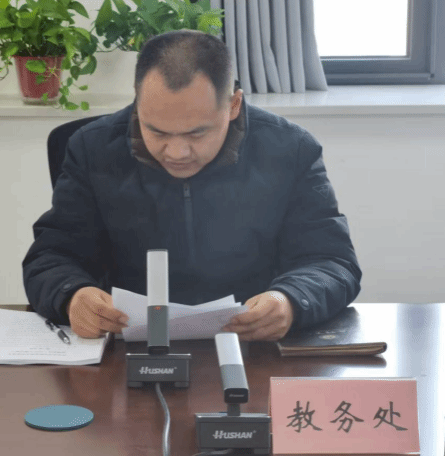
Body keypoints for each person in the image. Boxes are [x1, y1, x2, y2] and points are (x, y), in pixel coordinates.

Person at [23, 30, 361, 341]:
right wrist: (73, 295)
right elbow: (51, 256)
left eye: (197, 133)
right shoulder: (93, 148)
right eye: (156, 131)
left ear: (233, 105)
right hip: (126, 348)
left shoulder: (291, 149)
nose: (177, 152)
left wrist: (290, 299)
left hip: (252, 345)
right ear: (138, 101)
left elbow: (332, 261)